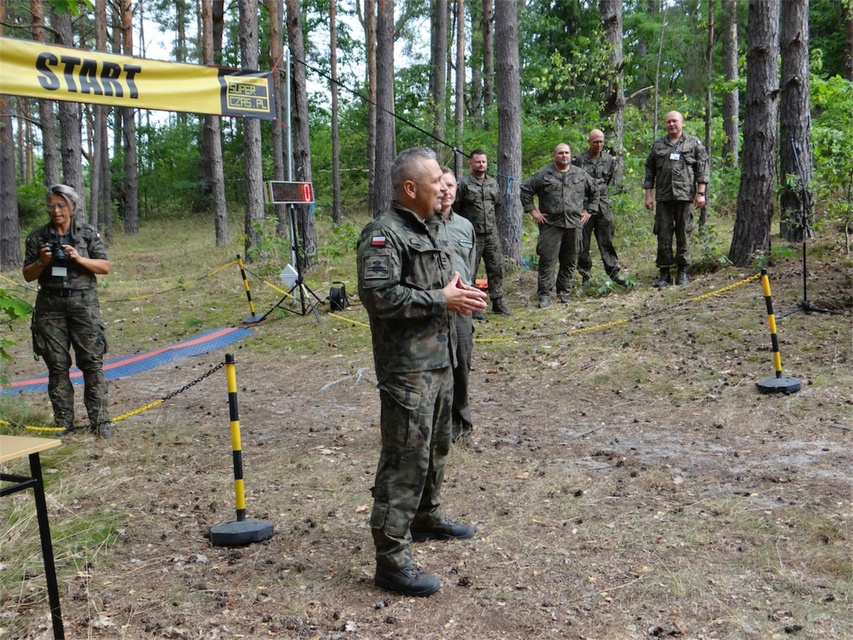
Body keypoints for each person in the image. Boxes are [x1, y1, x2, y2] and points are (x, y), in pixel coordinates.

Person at [356, 147, 488, 597]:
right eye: (435, 182)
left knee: (436, 448)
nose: (445, 189)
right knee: (404, 460)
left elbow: (435, 285)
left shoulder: (431, 228)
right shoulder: (383, 234)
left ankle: (426, 517)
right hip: (408, 368)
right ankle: (391, 560)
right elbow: (379, 296)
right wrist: (440, 299)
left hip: (440, 359)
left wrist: (457, 292)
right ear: (410, 188)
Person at [23, 184, 112, 438]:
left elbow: (105, 266)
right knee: (57, 365)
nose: (56, 211)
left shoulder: (87, 233)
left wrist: (78, 258)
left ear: (72, 206)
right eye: (51, 205)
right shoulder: (37, 237)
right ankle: (63, 423)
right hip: (50, 306)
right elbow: (28, 275)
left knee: (92, 362)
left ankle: (100, 422)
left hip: (83, 305)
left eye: (61, 205)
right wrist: (42, 262)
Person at [520, 143, 599, 308]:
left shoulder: (580, 174)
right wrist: (533, 212)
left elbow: (595, 191)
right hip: (551, 225)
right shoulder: (543, 174)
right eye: (561, 153)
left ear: (570, 155)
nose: (564, 156)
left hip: (574, 224)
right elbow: (526, 190)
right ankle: (544, 294)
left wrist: (589, 211)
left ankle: (564, 292)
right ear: (554, 156)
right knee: (547, 260)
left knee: (570, 260)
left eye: (567, 153)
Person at [434, 167, 478, 444]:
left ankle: (461, 424)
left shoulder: (465, 226)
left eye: (450, 186)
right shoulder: (421, 225)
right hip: (433, 304)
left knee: (461, 363)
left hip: (461, 306)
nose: (445, 191)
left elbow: (471, 265)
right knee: (434, 368)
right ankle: (436, 423)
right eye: (441, 186)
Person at [643, 110, 710, 287]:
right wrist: (648, 195)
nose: (671, 124)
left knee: (684, 233)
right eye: (668, 122)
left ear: (682, 123)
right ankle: (664, 273)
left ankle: (683, 271)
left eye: (675, 121)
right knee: (663, 234)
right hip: (664, 197)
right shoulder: (658, 145)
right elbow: (649, 171)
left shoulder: (693, 143)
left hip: (685, 196)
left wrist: (701, 193)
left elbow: (702, 169)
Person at [454, 149, 512, 318]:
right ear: (471, 163)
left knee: (496, 267)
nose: (481, 165)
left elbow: (498, 204)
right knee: (470, 270)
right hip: (471, 234)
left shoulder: (493, 183)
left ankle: (497, 302)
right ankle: (473, 306)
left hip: (491, 233)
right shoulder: (463, 184)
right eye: (478, 162)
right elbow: (456, 207)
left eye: (483, 162)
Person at [572, 129, 628, 286]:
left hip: (603, 205)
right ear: (589, 142)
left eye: (601, 142)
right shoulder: (579, 160)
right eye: (595, 142)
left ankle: (613, 273)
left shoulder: (609, 159)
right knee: (582, 242)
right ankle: (585, 276)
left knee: (606, 240)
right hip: (584, 206)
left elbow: (607, 180)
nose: (598, 144)